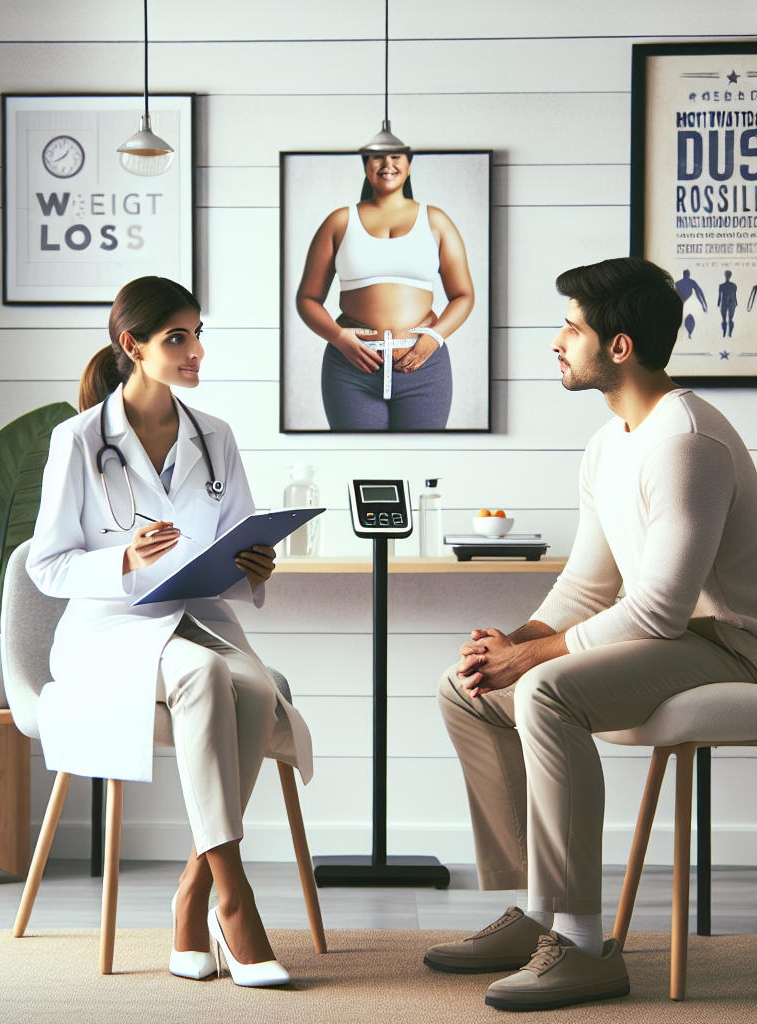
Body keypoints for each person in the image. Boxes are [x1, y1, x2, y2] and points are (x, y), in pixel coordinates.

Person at [425, 257, 757, 1011]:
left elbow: (661, 611)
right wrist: (511, 640)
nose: (556, 342)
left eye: (570, 327)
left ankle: (582, 945)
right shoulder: (611, 443)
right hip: (681, 639)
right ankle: (540, 909)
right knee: (467, 688)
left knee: (543, 689)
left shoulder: (687, 440)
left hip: (735, 644)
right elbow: (588, 586)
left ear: (619, 346)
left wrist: (531, 658)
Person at [28, 276, 313, 988]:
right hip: (109, 629)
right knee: (208, 675)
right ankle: (235, 900)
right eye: (177, 338)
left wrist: (255, 563)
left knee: (254, 687)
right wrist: (121, 559)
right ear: (134, 346)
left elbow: (237, 541)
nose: (195, 351)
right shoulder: (78, 440)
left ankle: (192, 891)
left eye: (197, 333)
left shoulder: (214, 437)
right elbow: (47, 567)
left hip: (196, 616)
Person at [296, 150, 474, 430]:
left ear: (409, 165)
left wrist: (434, 339)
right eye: (377, 158)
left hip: (424, 369)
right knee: (359, 466)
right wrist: (339, 338)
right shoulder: (339, 221)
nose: (387, 165)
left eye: (396, 157)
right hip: (350, 370)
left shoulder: (436, 220)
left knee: (422, 463)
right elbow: (307, 299)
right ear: (366, 166)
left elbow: (464, 295)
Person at [718, 269, 737, 337]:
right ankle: (727, 333)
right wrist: (736, 302)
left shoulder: (722, 286)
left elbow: (734, 295)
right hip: (730, 303)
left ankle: (727, 333)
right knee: (727, 319)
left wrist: (718, 303)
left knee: (726, 319)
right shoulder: (732, 285)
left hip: (726, 303)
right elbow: (734, 296)